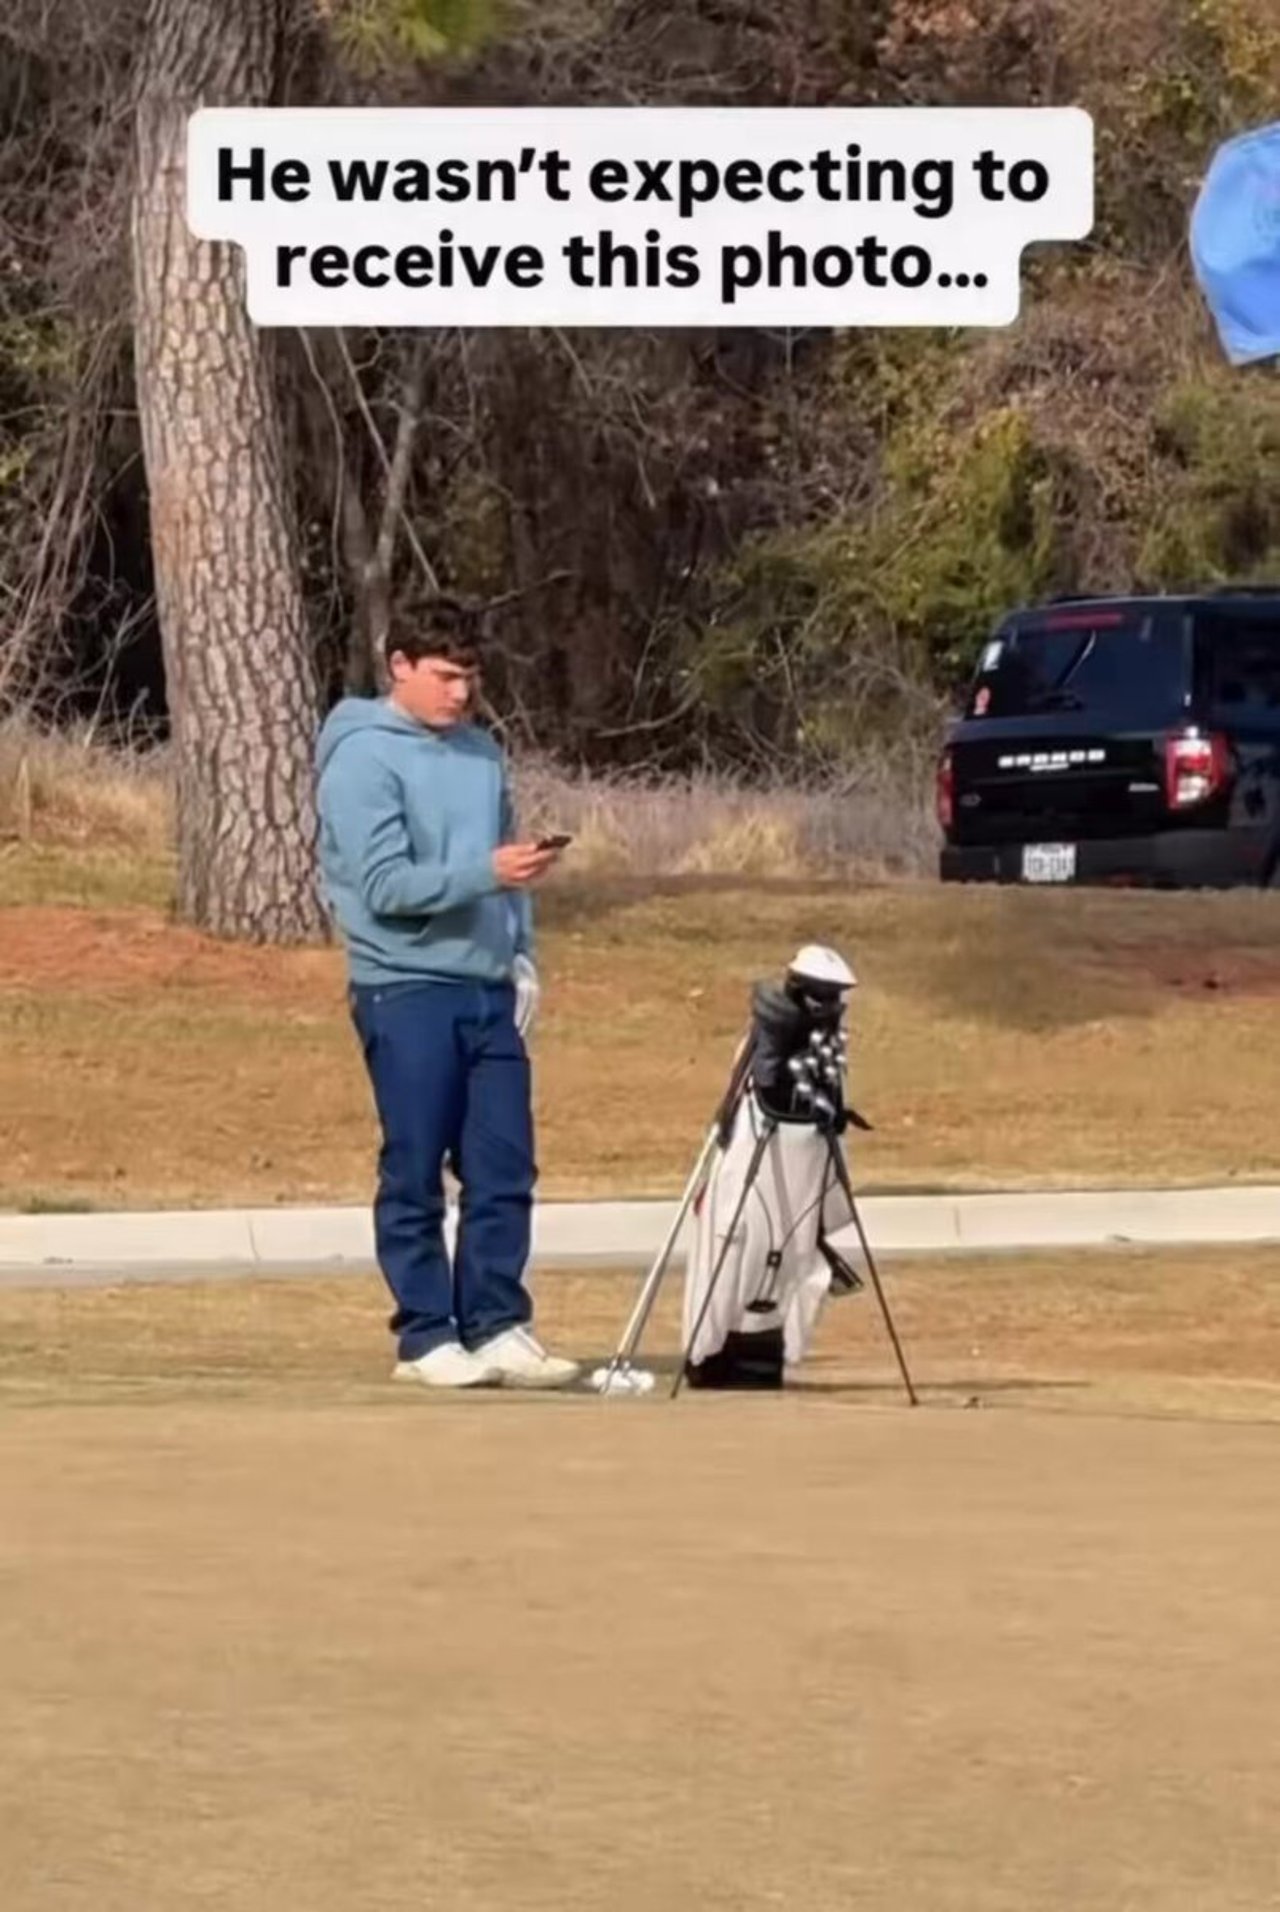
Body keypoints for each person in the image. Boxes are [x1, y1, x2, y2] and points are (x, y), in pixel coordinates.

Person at [314, 598, 579, 1391]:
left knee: (504, 1166)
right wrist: (485, 874)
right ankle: (426, 1335)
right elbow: (385, 886)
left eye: (471, 677)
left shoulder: (481, 754)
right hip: (404, 987)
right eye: (445, 676)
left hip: (487, 986)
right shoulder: (362, 757)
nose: (461, 693)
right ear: (399, 667)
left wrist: (521, 956)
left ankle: (495, 1322)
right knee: (416, 1165)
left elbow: (507, 871)